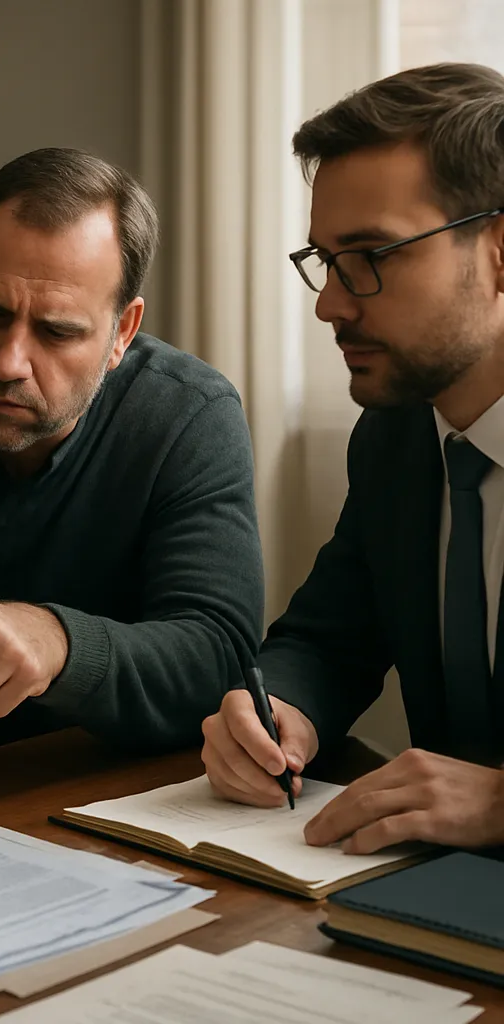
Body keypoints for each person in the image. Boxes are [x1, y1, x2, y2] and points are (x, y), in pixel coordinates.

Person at [201, 63, 504, 854]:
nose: (330, 303)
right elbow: (329, 638)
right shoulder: (397, 436)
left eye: (372, 255)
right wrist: (277, 716)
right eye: (325, 260)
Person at [0, 147, 265, 751]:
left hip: (90, 781)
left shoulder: (187, 416)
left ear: (121, 334)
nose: (7, 362)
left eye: (57, 331)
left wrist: (61, 641)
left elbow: (220, 655)